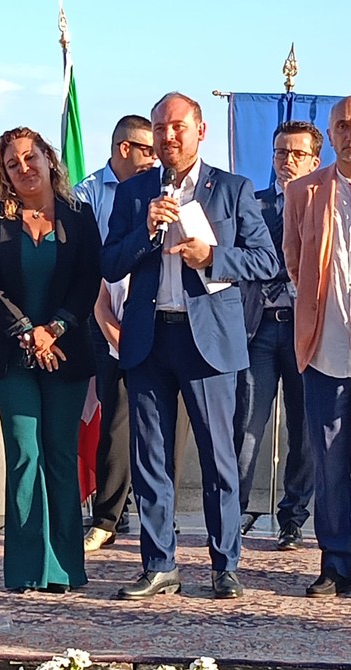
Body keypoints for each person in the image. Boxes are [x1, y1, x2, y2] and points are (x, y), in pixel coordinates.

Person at [102, 92, 278, 600]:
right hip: (149, 337)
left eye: (177, 126)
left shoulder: (233, 189)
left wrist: (212, 256)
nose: (168, 136)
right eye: (159, 128)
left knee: (219, 458)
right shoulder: (135, 193)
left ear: (201, 131)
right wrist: (145, 232)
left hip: (209, 342)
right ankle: (159, 565)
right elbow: (110, 263)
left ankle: (225, 565)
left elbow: (266, 261)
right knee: (150, 459)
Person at [0, 127, 101, 593]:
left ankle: (64, 568)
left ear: (48, 158)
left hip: (66, 351)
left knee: (61, 454)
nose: (24, 168)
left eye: (31, 158)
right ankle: (27, 567)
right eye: (12, 163)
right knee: (25, 455)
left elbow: (88, 280)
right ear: (3, 173)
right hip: (10, 354)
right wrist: (29, 332)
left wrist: (55, 329)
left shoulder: (80, 216)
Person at [234, 121, 321, 548]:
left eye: (297, 154)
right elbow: (245, 259)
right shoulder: (253, 205)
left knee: (305, 430)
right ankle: (233, 513)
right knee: (247, 425)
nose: (287, 161)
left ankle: (293, 516)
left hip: (309, 329)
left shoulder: (327, 207)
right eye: (280, 153)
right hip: (262, 328)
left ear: (314, 161)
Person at [75, 115, 156, 550]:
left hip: (153, 315)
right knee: (116, 416)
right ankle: (107, 515)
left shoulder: (159, 188)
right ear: (125, 148)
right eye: (148, 150)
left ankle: (156, 516)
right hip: (103, 315)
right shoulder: (87, 195)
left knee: (160, 422)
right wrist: (106, 323)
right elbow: (88, 265)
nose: (155, 158)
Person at [283, 96, 351, 598]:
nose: (350, 133)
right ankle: (336, 563)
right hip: (326, 350)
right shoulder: (304, 192)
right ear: (329, 136)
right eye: (342, 125)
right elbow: (294, 258)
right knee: (330, 465)